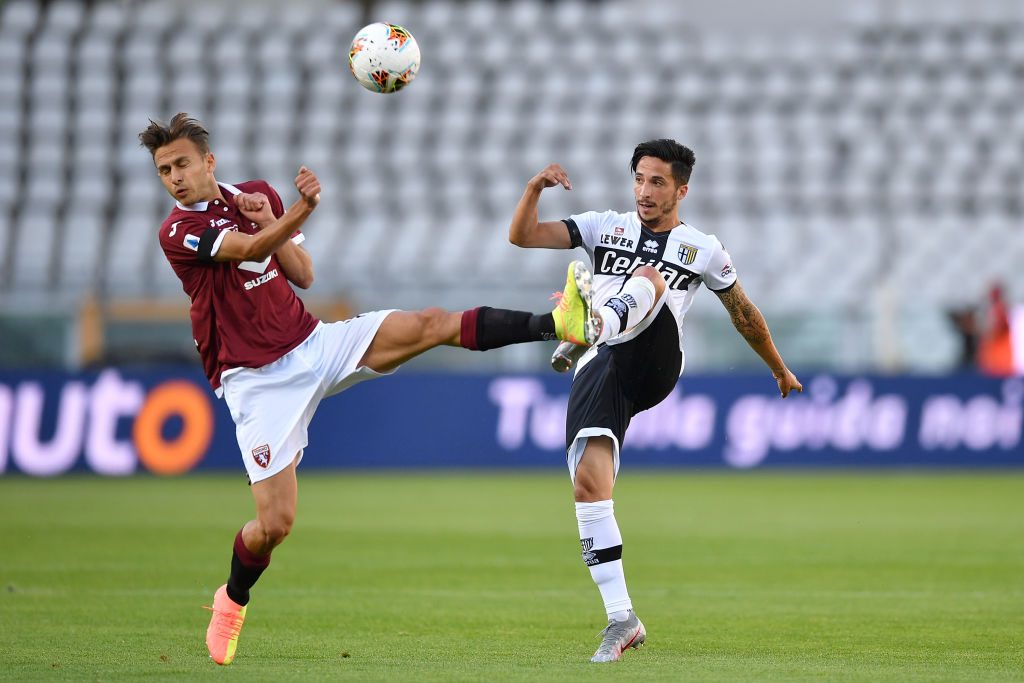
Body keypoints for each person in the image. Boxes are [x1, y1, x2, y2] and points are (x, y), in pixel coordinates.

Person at [138, 113, 603, 666]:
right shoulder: (177, 231)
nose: (175, 178)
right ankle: (233, 598)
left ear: (209, 162)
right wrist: (301, 210)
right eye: (164, 170)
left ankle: (557, 323)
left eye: (182, 164)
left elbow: (303, 274)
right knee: (274, 525)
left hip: (313, 343)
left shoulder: (255, 193)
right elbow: (247, 249)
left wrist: (276, 215)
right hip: (256, 381)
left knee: (429, 323)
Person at [508, 139, 803, 663]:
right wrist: (533, 189)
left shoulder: (702, 248)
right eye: (639, 179)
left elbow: (743, 313)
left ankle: (586, 324)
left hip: (656, 360)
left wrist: (778, 367)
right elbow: (523, 235)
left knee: (648, 276)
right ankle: (622, 619)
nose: (644, 191)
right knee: (588, 487)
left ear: (681, 190)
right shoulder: (603, 226)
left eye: (658, 182)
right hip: (604, 365)